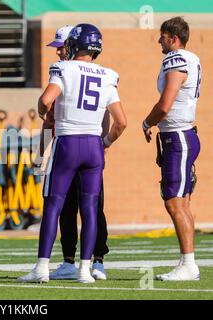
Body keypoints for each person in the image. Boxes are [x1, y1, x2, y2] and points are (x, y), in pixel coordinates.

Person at [19, 23, 127, 283]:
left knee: (53, 205)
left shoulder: (63, 69)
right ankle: (84, 269)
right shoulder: (107, 75)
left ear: (73, 45)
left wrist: (46, 115)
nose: (59, 52)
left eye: (62, 47)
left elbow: (46, 102)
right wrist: (106, 142)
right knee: (90, 208)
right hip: (93, 146)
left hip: (67, 142)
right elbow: (121, 122)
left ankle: (42, 267)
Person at [44, 25, 110, 281]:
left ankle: (97, 259)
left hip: (81, 144)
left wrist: (103, 141)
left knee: (92, 205)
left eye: (61, 46)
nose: (59, 51)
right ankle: (70, 259)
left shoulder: (72, 71)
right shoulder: (64, 70)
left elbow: (105, 112)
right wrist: (43, 153)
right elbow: (50, 119)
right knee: (68, 207)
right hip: (81, 145)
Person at [142, 17, 201, 281]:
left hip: (177, 137)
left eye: (162, 36)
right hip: (182, 135)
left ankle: (188, 264)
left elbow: (165, 104)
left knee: (173, 201)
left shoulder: (175, 59)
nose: (159, 41)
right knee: (182, 202)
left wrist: (147, 122)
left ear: (173, 38)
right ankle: (188, 262)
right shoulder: (192, 58)